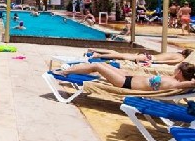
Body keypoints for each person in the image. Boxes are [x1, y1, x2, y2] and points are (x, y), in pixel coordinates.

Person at [54, 61, 195, 92]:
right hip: (128, 77)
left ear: (179, 72)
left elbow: (189, 84)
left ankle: (65, 72)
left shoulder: (175, 84)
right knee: (103, 65)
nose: (174, 69)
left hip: (124, 83)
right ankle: (70, 69)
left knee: (96, 66)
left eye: (176, 68)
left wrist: (192, 81)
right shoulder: (173, 80)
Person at [87, 47, 193, 65]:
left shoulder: (176, 53)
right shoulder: (181, 58)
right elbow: (169, 62)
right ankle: (97, 55)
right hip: (149, 58)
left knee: (117, 53)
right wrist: (154, 62)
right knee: (120, 56)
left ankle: (94, 50)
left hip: (147, 56)